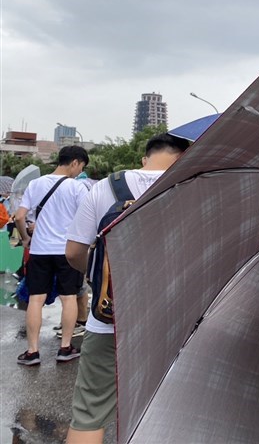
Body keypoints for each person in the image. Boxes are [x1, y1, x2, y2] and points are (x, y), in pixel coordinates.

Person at [64, 133, 189, 444]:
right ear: (183, 156)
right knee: (170, 410)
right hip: (178, 321)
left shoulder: (104, 187)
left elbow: (73, 252)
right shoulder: (194, 184)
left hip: (110, 320)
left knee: (89, 414)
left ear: (145, 159)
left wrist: (96, 276)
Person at [14, 146, 89, 366]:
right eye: (80, 167)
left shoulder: (35, 184)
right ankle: (65, 348)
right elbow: (85, 220)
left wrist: (26, 238)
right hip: (67, 252)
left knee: (36, 299)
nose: (78, 172)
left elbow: (19, 216)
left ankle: (32, 351)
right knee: (69, 298)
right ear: (75, 163)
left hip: (40, 250)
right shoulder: (77, 188)